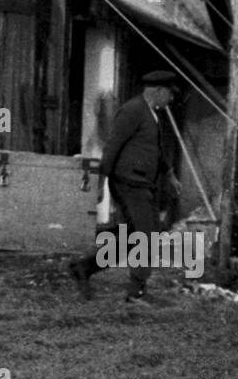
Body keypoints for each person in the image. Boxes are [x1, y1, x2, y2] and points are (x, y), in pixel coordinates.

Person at [68, 70, 182, 305]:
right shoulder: (133, 111)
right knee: (148, 235)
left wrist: (169, 174)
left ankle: (85, 268)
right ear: (158, 90)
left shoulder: (152, 115)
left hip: (142, 184)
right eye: (170, 93)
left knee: (133, 236)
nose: (171, 99)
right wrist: (100, 184)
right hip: (129, 183)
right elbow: (112, 147)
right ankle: (136, 292)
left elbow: (157, 151)